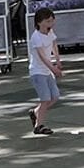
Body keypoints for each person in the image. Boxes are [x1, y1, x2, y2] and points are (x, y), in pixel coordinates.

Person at [28, 7, 62, 135]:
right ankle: (39, 126)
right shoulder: (36, 37)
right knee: (45, 99)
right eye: (48, 21)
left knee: (55, 96)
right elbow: (42, 57)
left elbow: (54, 45)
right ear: (39, 22)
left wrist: (58, 60)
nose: (51, 24)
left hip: (47, 71)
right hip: (38, 72)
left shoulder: (50, 32)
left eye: (52, 21)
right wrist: (53, 69)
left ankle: (36, 112)